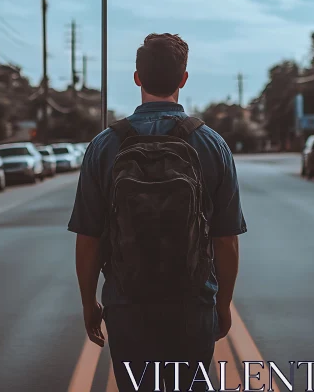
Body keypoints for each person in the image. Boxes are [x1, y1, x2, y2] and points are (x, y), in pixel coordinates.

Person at [68, 33, 247, 391]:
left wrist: (90, 304)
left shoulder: (104, 146)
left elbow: (88, 240)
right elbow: (225, 241)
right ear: (183, 79)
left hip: (127, 305)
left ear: (137, 77)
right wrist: (222, 304)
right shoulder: (212, 144)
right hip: (192, 304)